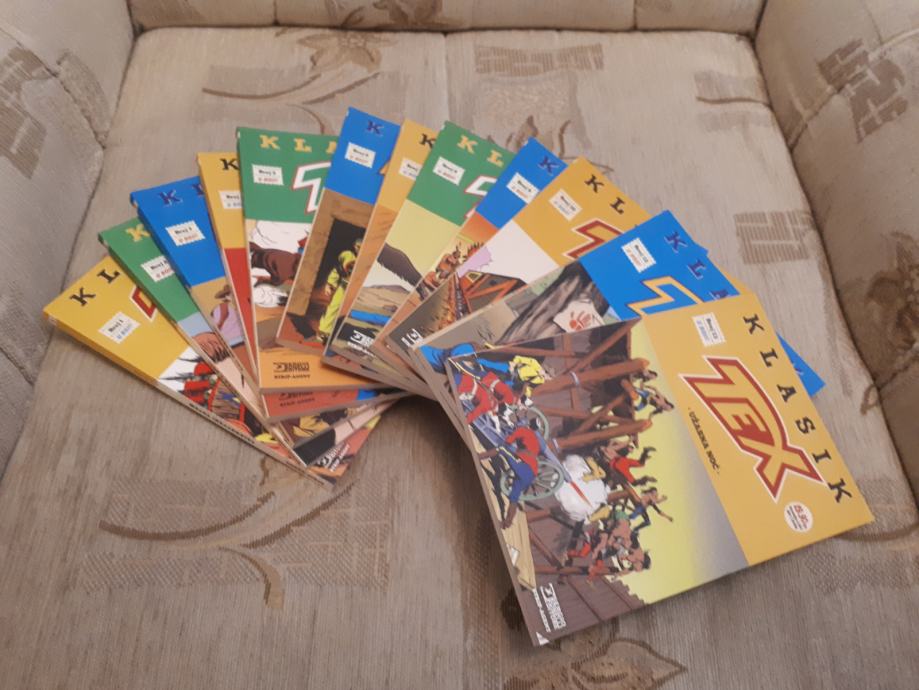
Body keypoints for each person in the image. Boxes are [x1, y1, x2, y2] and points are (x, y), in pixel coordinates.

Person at [317, 239, 361, 342]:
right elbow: (337, 270)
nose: (359, 249)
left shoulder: (368, 259)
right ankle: (324, 332)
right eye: (357, 246)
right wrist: (330, 284)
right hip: (344, 286)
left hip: (358, 290)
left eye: (361, 247)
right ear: (354, 246)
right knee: (334, 307)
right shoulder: (348, 256)